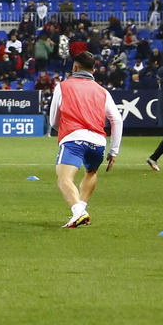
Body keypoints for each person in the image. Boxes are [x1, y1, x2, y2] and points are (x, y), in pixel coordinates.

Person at [49, 52, 123, 229]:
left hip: (74, 138)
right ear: (94, 70)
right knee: (91, 172)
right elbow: (117, 120)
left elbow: (53, 119)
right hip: (98, 141)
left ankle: (78, 211)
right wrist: (114, 151)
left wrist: (65, 131)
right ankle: (81, 210)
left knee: (64, 178)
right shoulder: (102, 91)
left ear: (74, 68)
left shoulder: (63, 86)